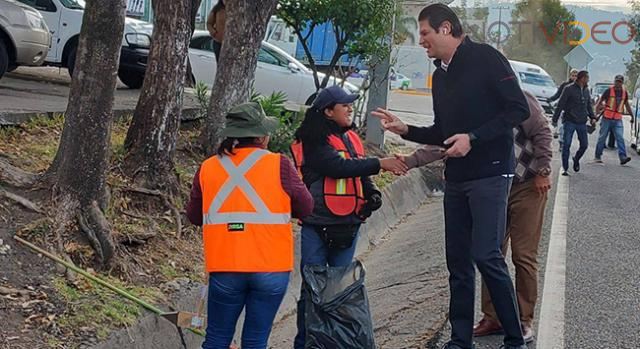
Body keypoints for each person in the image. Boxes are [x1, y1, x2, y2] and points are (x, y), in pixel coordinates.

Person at [372, 4, 530, 349]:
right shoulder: (439, 75)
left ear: (446, 28)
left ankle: (515, 337)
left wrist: (473, 138)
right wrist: (407, 128)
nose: (422, 41)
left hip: (491, 172)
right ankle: (460, 340)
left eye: (425, 33)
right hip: (456, 178)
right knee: (457, 262)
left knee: (486, 255)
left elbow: (517, 108)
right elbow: (443, 131)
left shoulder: (486, 58)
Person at [185, 102, 314, 349]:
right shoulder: (280, 164)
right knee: (255, 341)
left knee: (217, 339)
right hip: (271, 267)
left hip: (225, 265)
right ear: (261, 136)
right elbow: (306, 207)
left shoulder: (208, 167)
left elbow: (194, 215)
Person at [290, 85, 408, 349]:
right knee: (313, 288)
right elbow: (336, 166)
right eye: (346, 106)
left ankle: (337, 342)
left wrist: (372, 193)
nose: (351, 109)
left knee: (343, 290)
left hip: (348, 225)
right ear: (329, 111)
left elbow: (358, 170)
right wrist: (381, 163)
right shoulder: (313, 140)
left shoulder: (351, 138)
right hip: (317, 225)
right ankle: (306, 342)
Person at [473, 91, 553, 344]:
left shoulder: (518, 99)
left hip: (527, 185)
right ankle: (493, 316)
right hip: (494, 186)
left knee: (523, 255)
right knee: (490, 253)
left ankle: (523, 319)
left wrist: (543, 170)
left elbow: (542, 132)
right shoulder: (474, 101)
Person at [552, 70, 597, 176]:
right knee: (566, 144)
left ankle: (576, 159)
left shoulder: (586, 90)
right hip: (569, 121)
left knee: (584, 145)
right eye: (587, 78)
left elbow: (589, 105)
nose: (588, 80)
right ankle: (565, 167)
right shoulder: (568, 89)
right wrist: (555, 119)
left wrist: (592, 117)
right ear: (582, 78)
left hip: (582, 122)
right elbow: (561, 104)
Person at [594, 74, 633, 165]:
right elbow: (599, 102)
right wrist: (596, 114)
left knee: (620, 137)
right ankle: (598, 156)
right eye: (616, 81)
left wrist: (632, 115)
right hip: (607, 118)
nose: (618, 83)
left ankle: (623, 157)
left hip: (617, 118)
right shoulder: (608, 91)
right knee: (602, 137)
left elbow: (626, 104)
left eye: (619, 82)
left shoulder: (624, 93)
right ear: (614, 81)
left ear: (622, 83)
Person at [548, 69, 578, 152]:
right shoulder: (565, 85)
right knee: (562, 127)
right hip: (563, 109)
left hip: (574, 112)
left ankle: (566, 143)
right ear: (570, 75)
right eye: (573, 75)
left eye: (576, 76)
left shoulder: (580, 87)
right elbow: (558, 95)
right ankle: (561, 143)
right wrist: (550, 99)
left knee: (569, 129)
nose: (574, 77)